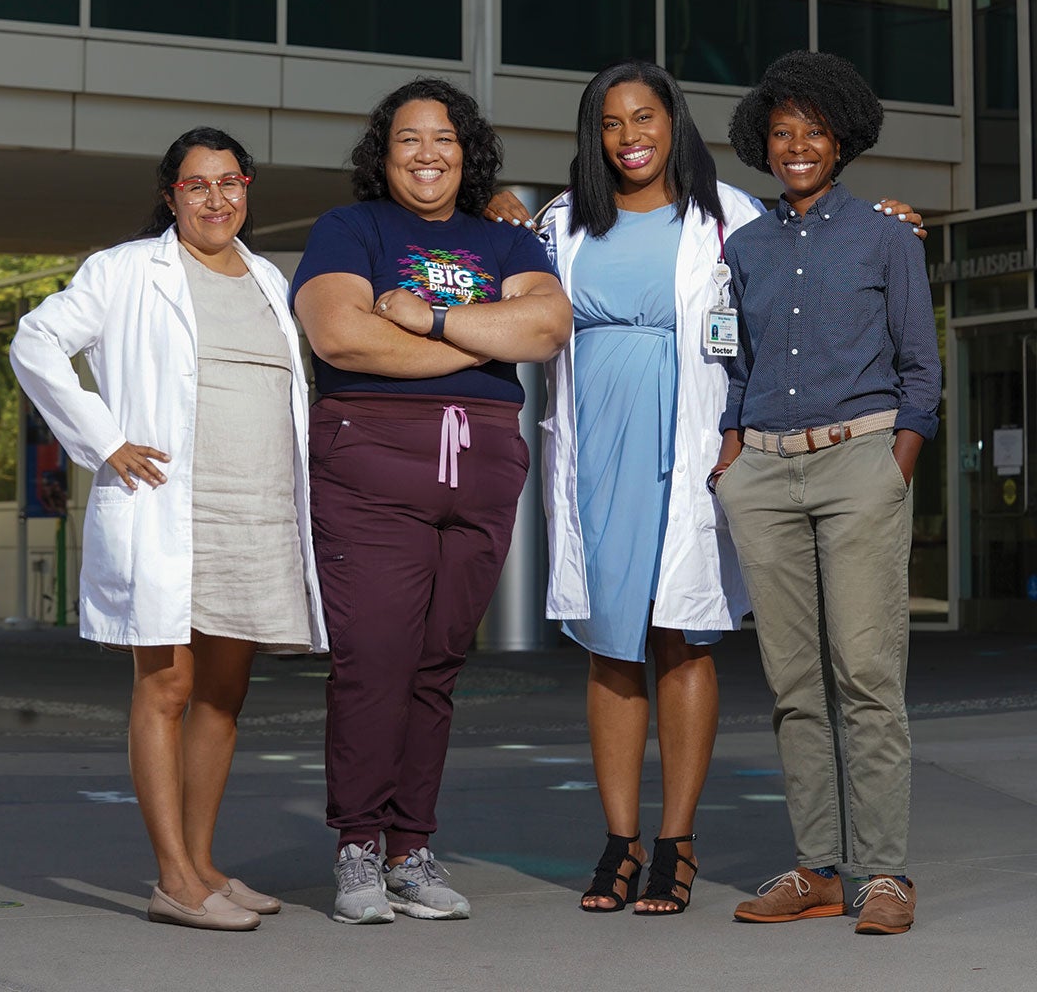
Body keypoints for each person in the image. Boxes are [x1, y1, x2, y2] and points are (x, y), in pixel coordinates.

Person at [485, 59, 926, 916]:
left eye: (644, 117)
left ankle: (682, 846)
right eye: (611, 123)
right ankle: (622, 842)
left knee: (686, 636)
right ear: (594, 134)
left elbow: (818, 280)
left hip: (696, 446)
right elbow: (490, 268)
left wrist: (896, 215)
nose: (630, 136)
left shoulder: (732, 214)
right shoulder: (564, 219)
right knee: (612, 644)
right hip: (600, 446)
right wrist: (493, 204)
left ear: (673, 121)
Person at [10, 127, 326, 932]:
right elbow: (37, 339)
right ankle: (173, 880)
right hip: (170, 503)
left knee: (225, 692)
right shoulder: (124, 271)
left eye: (230, 181)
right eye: (197, 185)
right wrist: (102, 438)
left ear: (248, 188)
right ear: (170, 195)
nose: (216, 198)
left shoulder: (268, 279)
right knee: (170, 686)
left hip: (255, 506)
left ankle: (205, 864)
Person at [291, 77, 571, 924]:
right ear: (385, 153)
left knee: (437, 665)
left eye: (443, 138)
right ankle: (357, 847)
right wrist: (484, 340)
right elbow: (339, 333)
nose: (426, 153)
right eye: (408, 138)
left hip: (481, 472)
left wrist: (428, 320)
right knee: (374, 659)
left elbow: (547, 328)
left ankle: (412, 848)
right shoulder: (351, 228)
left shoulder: (505, 235)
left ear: (468, 150)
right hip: (374, 465)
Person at [713, 50, 941, 935]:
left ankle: (883, 875)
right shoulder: (746, 247)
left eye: (813, 130)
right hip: (764, 473)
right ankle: (816, 867)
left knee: (868, 676)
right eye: (781, 132)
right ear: (762, 145)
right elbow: (737, 366)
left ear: (841, 140)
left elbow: (921, 366)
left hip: (861, 465)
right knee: (793, 683)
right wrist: (732, 464)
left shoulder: (888, 235)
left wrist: (899, 460)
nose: (797, 145)